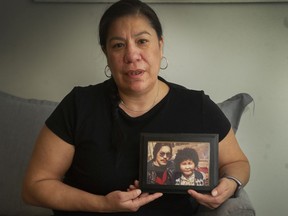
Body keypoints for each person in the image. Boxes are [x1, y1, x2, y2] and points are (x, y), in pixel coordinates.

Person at [22, 0, 250, 215]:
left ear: (160, 45)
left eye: (142, 41)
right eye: (119, 45)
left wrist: (231, 184)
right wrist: (103, 205)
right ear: (106, 53)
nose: (132, 55)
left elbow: (237, 163)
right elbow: (34, 187)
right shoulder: (79, 104)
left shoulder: (195, 106)